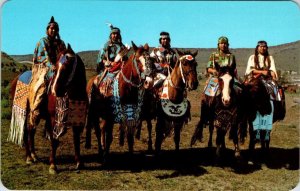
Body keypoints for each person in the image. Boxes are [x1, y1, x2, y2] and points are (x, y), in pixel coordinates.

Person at [191, 36, 239, 145]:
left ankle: (237, 115)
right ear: (218, 45)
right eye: (221, 43)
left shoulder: (231, 56)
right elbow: (209, 68)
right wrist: (216, 72)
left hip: (229, 78)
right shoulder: (214, 55)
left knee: (239, 91)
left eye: (225, 43)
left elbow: (234, 69)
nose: (223, 45)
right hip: (216, 78)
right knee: (208, 93)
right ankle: (206, 114)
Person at [28, 16, 66, 126]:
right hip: (43, 68)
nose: (53, 30)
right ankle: (36, 109)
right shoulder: (42, 42)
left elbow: (63, 55)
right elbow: (42, 57)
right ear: (47, 29)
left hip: (58, 68)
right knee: (41, 86)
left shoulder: (61, 43)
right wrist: (51, 65)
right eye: (51, 28)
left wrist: (61, 64)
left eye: (55, 28)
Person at [245, 40, 280, 141]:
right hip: (255, 78)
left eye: (265, 46)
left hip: (267, 79)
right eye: (261, 46)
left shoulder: (270, 58)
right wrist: (262, 72)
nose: (263, 48)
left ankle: (278, 109)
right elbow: (250, 70)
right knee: (246, 92)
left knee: (275, 90)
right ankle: (245, 111)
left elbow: (273, 69)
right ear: (257, 47)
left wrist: (273, 75)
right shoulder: (252, 57)